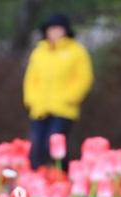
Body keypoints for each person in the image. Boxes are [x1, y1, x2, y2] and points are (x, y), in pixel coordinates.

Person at [23, 13, 94, 171]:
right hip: (40, 107)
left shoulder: (76, 51)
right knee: (35, 148)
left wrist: (69, 98)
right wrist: (31, 99)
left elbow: (84, 79)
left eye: (58, 28)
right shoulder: (39, 52)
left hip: (64, 108)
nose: (54, 32)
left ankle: (65, 175)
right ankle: (37, 180)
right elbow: (31, 79)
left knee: (53, 146)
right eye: (51, 29)